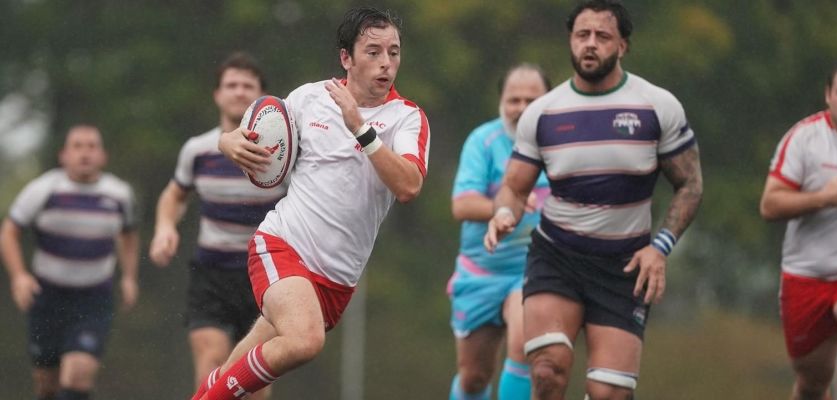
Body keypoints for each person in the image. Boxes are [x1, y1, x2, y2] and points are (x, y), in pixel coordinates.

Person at [188, 6, 430, 399]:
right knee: (304, 341)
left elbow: (408, 186)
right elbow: (256, 130)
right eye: (373, 52)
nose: (386, 63)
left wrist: (361, 129)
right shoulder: (309, 98)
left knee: (240, 375)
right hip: (283, 245)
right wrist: (227, 140)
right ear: (346, 58)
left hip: (336, 281)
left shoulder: (407, 118)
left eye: (394, 52)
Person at [484, 1, 703, 398]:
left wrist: (661, 249)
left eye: (602, 37)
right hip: (557, 257)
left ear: (623, 46)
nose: (590, 44)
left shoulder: (657, 106)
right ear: (570, 41)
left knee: (608, 394)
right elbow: (515, 188)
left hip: (625, 266)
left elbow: (690, 185)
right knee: (548, 370)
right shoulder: (543, 113)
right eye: (582, 35)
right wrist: (503, 213)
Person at [148, 52, 284, 399]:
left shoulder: (281, 153)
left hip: (265, 275)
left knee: (255, 379)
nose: (238, 92)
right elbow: (175, 195)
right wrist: (165, 227)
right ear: (217, 95)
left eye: (247, 86)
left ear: (262, 97)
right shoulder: (198, 150)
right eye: (231, 85)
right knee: (212, 360)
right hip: (212, 274)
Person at [0, 125, 139, 400]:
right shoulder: (43, 189)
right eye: (77, 146)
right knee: (47, 383)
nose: (85, 153)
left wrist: (129, 277)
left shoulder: (119, 194)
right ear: (64, 155)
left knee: (78, 374)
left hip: (93, 297)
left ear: (103, 155)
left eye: (91, 146)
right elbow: (9, 232)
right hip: (48, 296)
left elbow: (129, 235)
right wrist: (19, 276)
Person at [448, 63, 551, 400]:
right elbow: (462, 205)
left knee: (522, 347)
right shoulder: (483, 140)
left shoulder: (561, 145)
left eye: (531, 100)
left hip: (534, 269)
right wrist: (509, 206)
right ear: (501, 103)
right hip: (481, 269)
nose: (521, 109)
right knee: (474, 377)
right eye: (513, 100)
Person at [759, 57, 837, 400]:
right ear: (828, 95)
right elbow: (770, 205)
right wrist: (823, 198)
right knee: (812, 384)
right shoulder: (805, 138)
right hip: (806, 275)